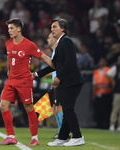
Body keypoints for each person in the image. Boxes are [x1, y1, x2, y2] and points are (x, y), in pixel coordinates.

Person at [0, 18, 55, 146]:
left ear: (19, 29)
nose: (9, 31)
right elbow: (9, 56)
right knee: (3, 105)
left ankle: (35, 138)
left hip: (24, 81)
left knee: (29, 108)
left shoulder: (29, 45)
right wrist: (8, 70)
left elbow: (43, 57)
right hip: (11, 80)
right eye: (8, 29)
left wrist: (57, 66)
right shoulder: (8, 43)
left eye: (11, 28)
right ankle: (11, 136)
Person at [33, 18, 85, 146]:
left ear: (62, 28)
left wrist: (59, 77)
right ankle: (62, 137)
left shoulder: (66, 41)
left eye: (54, 27)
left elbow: (70, 61)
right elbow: (53, 65)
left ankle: (77, 136)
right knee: (67, 108)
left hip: (72, 81)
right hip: (68, 81)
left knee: (68, 109)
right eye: (51, 27)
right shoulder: (61, 43)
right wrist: (37, 74)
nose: (52, 29)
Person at [46, 33, 63, 139]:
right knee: (55, 108)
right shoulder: (55, 52)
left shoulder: (58, 52)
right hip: (55, 84)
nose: (47, 39)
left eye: (49, 37)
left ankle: (63, 132)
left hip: (60, 84)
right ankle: (61, 131)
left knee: (59, 108)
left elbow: (60, 69)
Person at [92, 57, 112, 129]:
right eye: (101, 61)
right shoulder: (96, 71)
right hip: (98, 93)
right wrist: (93, 95)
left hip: (106, 93)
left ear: (106, 63)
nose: (102, 62)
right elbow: (94, 84)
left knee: (106, 110)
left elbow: (112, 80)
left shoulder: (109, 70)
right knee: (98, 110)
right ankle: (99, 124)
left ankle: (106, 124)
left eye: (103, 61)